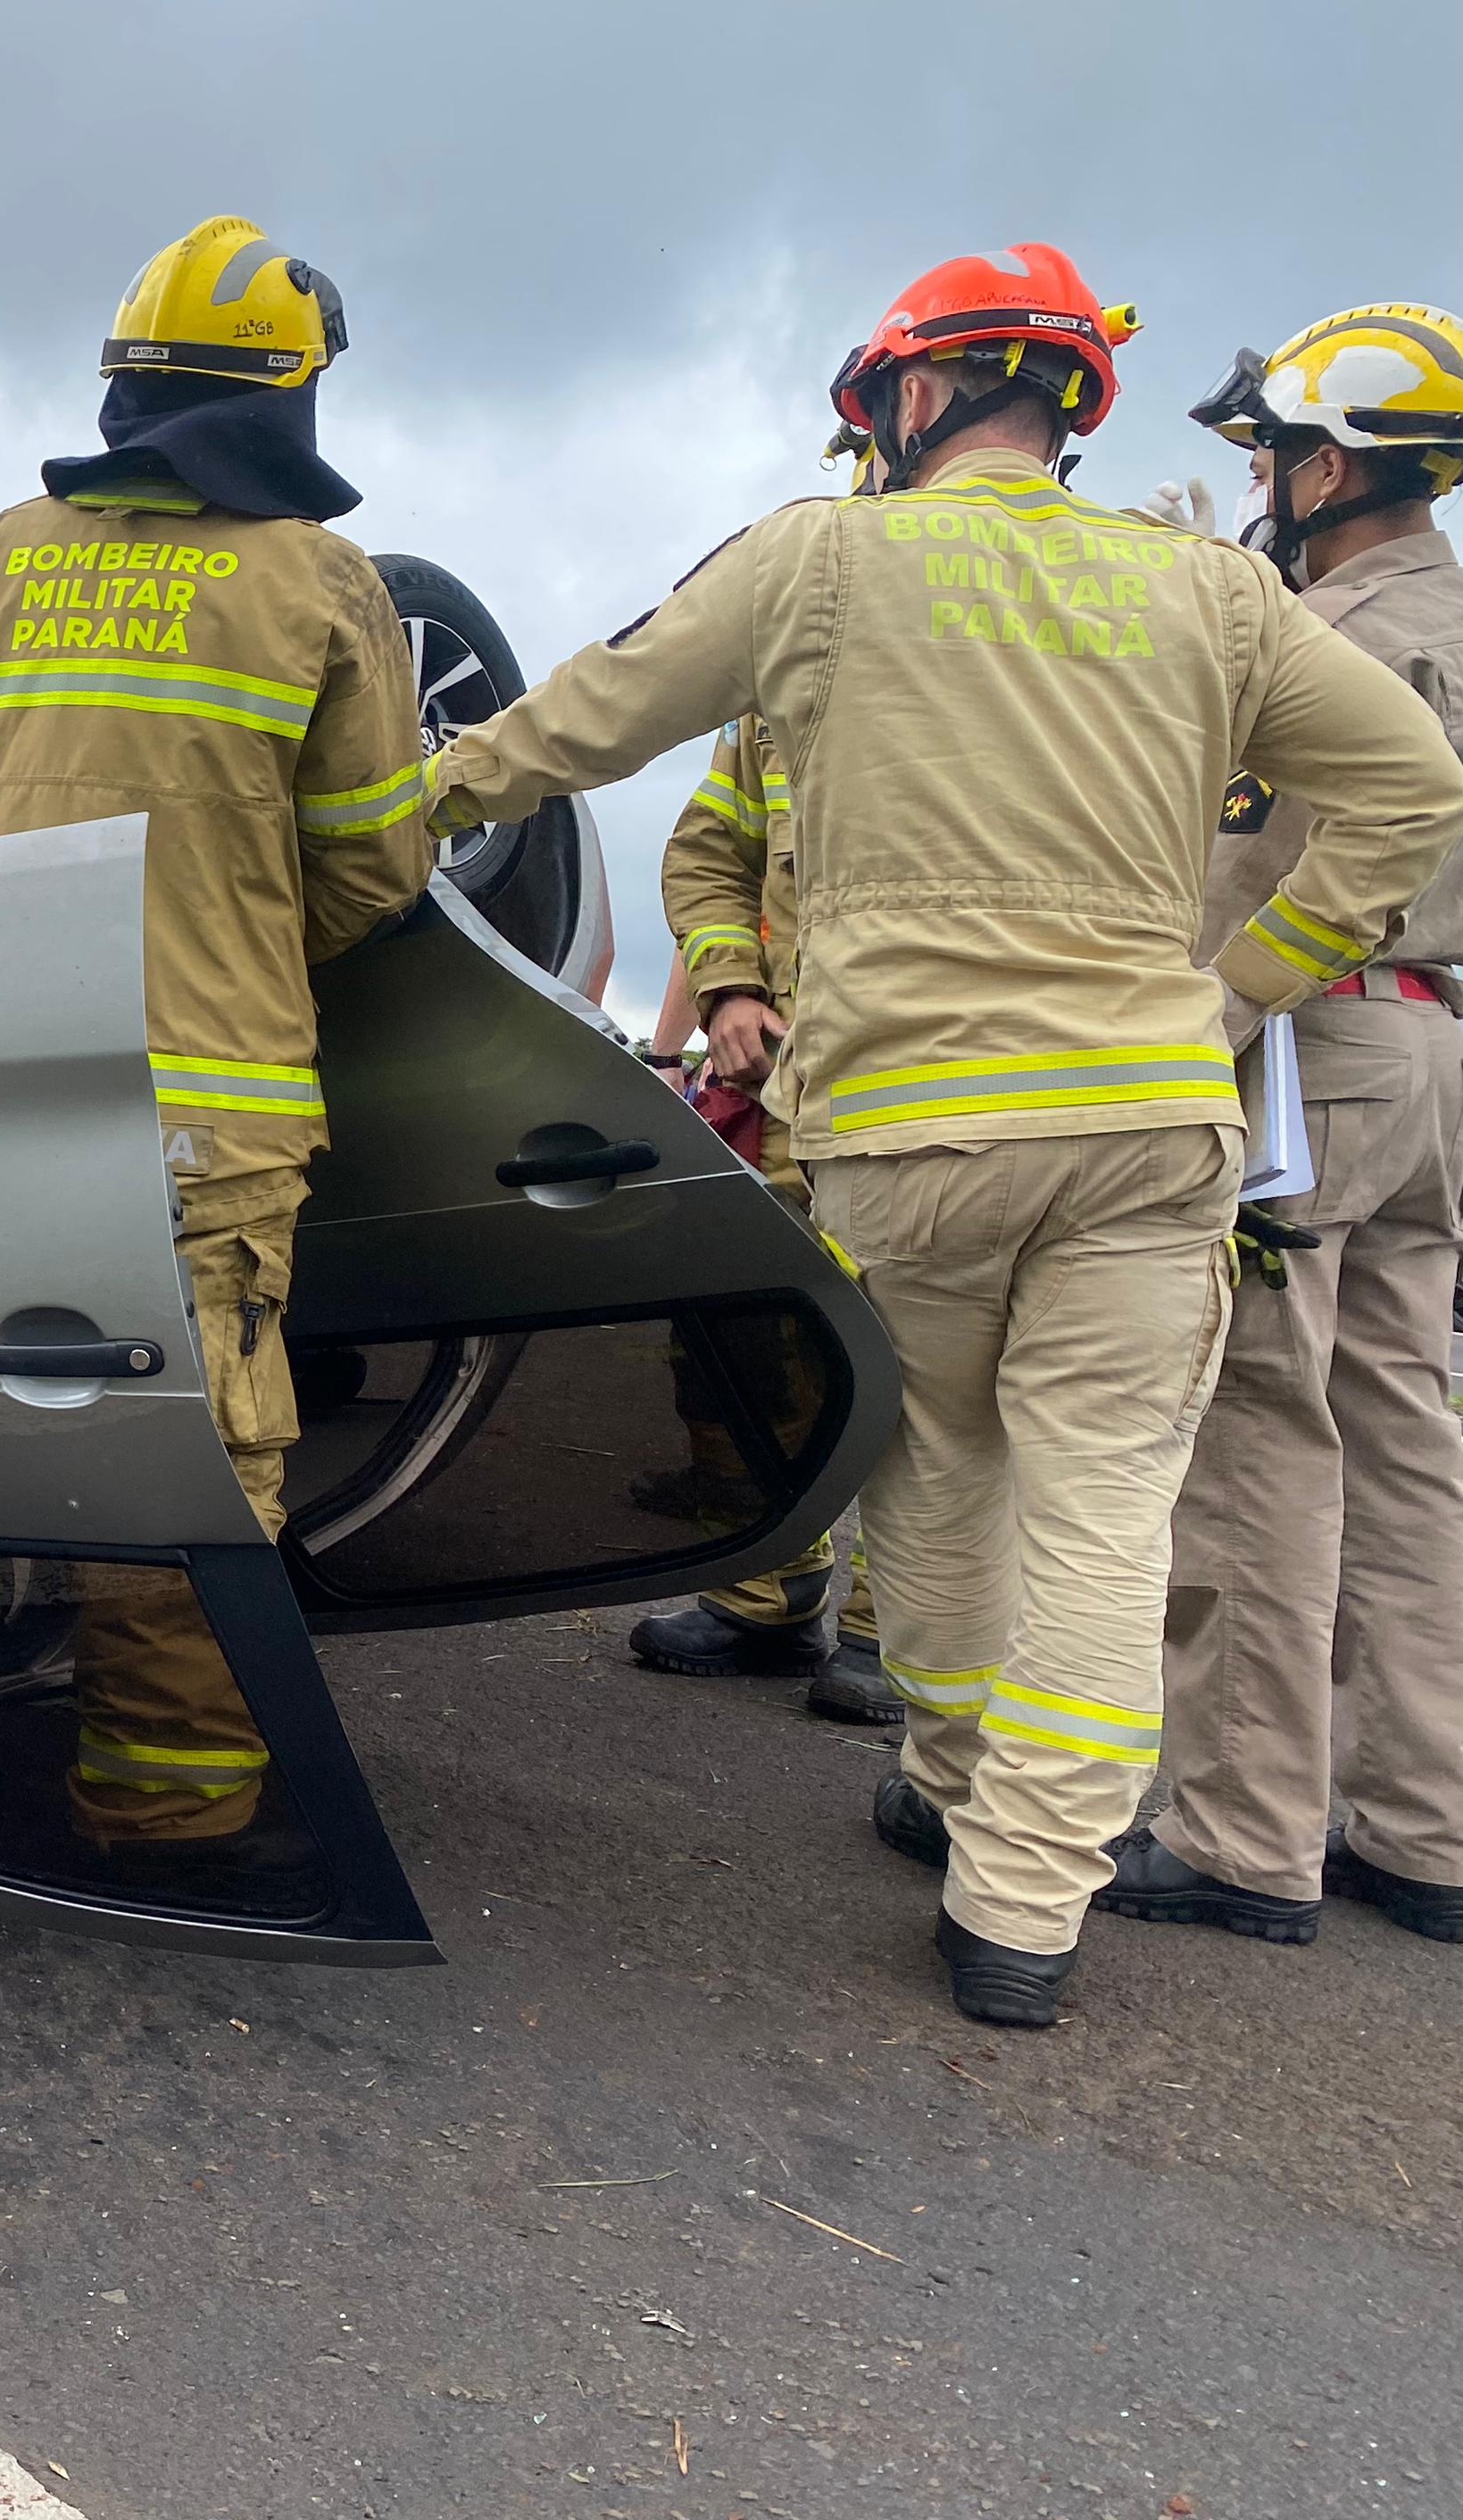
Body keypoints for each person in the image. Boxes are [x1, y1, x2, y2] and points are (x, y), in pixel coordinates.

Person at [423, 245, 1463, 2026]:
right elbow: (1415, 789)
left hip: (920, 1139)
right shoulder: (1209, 586)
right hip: (1153, 1125)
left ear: (910, 396)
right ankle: (1023, 1921)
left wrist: (393, 808)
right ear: (1068, 402)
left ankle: (970, 1794)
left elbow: (577, 727)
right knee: (1110, 1517)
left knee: (943, 1486)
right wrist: (1236, 985)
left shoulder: (824, 557)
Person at [0, 215, 433, 1874]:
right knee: (186, 1469)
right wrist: (237, 934)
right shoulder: (320, 586)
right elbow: (376, 868)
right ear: (291, 399)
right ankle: (162, 1810)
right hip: (203, 1110)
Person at [1104, 304, 1463, 1950]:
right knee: (1404, 1437)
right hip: (1430, 1055)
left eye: (1262, 450)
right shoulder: (1450, 613)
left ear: (1324, 461)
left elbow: (1246, 882)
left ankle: (1246, 1828)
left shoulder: (1334, 644)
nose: (1252, 478)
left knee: (1255, 1433)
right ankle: (1421, 1824)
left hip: (1304, 1050)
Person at [643, 698, 896, 1724]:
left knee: (919, 1361)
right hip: (783, 1083)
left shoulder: (995, 650)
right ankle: (769, 1594)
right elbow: (713, 862)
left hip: (925, 1085)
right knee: (757, 1343)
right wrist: (712, 1007)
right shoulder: (771, 702)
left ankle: (898, 1629)